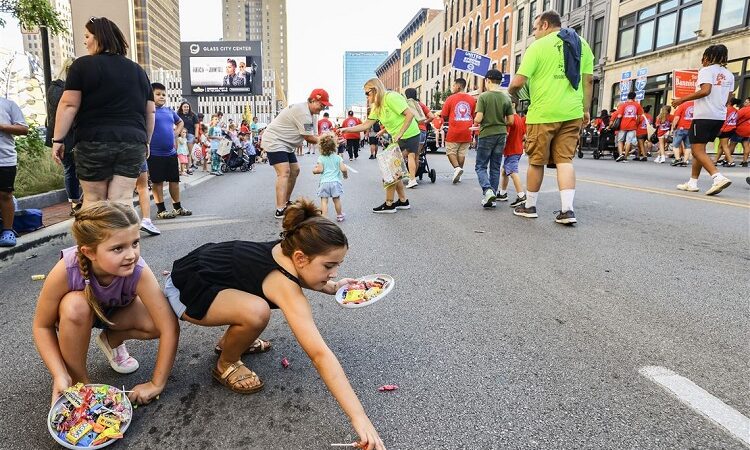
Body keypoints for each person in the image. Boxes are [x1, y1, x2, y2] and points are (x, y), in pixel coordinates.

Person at [163, 200, 385, 449]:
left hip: (207, 272)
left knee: (254, 309)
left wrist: (334, 286)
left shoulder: (289, 250)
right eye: (329, 266)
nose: (334, 272)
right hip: (187, 290)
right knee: (256, 312)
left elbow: (302, 275)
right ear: (300, 258)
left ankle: (233, 341)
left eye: (337, 266)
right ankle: (226, 362)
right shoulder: (283, 284)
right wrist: (360, 417)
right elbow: (320, 355)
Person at [32, 201, 178, 406]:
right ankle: (78, 382)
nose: (131, 255)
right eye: (118, 248)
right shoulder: (66, 269)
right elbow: (41, 325)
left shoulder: (138, 270)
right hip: (78, 316)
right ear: (90, 252)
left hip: (117, 315)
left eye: (135, 243)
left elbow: (169, 327)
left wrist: (157, 383)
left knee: (158, 321)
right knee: (75, 306)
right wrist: (59, 374)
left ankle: (112, 339)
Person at [51, 17, 154, 208]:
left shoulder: (82, 66)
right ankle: (128, 238)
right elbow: (150, 112)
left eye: (87, 36)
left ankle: (100, 239)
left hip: (93, 140)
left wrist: (58, 140)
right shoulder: (138, 71)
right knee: (122, 200)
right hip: (133, 142)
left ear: (100, 37)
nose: (85, 41)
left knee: (94, 200)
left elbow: (68, 105)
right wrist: (146, 141)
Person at [509, 10, 594, 225]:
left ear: (545, 25)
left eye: (535, 28)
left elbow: (518, 82)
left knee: (536, 161)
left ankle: (529, 206)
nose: (534, 33)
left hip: (544, 113)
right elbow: (589, 81)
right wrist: (585, 109)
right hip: (573, 112)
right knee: (565, 160)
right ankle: (567, 210)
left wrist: (512, 94)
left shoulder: (537, 47)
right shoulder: (582, 44)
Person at [339, 78, 417, 214]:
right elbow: (366, 125)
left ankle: (389, 204)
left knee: (390, 170)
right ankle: (403, 201)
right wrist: (345, 129)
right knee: (393, 170)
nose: (366, 96)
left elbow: (410, 115)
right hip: (398, 138)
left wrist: (400, 133)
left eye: (367, 93)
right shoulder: (377, 106)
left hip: (409, 135)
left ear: (375, 90)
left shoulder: (391, 97)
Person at [672, 45, 734, 195]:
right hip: (719, 116)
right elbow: (729, 97)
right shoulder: (729, 74)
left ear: (707, 57)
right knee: (700, 150)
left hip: (704, 115)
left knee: (697, 149)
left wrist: (681, 100)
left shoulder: (706, 71)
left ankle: (717, 177)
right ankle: (692, 182)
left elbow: (705, 90)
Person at [261, 89, 329, 219]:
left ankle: (286, 202)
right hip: (275, 141)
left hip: (286, 144)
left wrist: (327, 137)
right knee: (284, 172)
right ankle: (280, 209)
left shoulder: (311, 114)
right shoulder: (303, 112)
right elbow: (309, 138)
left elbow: (314, 135)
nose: (323, 107)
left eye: (325, 105)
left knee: (295, 170)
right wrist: (330, 140)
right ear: (313, 100)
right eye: (322, 104)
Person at [149, 82, 192, 219]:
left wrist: (176, 133)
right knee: (158, 182)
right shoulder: (148, 111)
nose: (162, 97)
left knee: (174, 181)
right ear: (150, 95)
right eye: (158, 94)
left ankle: (177, 207)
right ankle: (161, 209)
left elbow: (180, 122)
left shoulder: (169, 111)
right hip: (155, 153)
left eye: (164, 95)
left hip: (171, 153)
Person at [473, 69, 514, 208]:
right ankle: (493, 197)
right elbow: (511, 121)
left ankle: (488, 190)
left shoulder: (483, 97)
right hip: (501, 134)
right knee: (495, 167)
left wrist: (475, 121)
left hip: (486, 134)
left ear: (487, 81)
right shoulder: (506, 98)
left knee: (481, 166)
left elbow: (478, 119)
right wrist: (500, 122)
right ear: (500, 81)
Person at [46, 57, 81, 216]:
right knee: (71, 169)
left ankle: (79, 202)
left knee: (76, 169)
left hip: (71, 135)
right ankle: (75, 202)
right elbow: (67, 109)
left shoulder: (56, 88)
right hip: (65, 136)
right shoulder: (58, 88)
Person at [0, 97, 28, 247]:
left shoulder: (8, 104)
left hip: (4, 159)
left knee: (5, 194)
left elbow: (23, 129)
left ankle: (8, 230)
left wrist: (2, 127)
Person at [441, 78, 476, 183]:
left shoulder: (450, 98)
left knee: (450, 151)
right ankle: (459, 174)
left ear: (458, 86)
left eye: (453, 85)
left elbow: (444, 115)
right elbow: (474, 115)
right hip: (467, 131)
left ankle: (457, 168)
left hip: (454, 131)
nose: (452, 87)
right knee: (461, 154)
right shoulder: (472, 99)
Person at [313, 133, 348, 222]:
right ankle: (339, 215)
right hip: (335, 182)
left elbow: (320, 170)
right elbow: (343, 169)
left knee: (324, 200)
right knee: (336, 199)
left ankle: (324, 217)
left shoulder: (321, 158)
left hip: (324, 183)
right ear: (335, 145)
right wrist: (345, 175)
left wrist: (314, 170)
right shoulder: (338, 157)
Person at [404, 88, 435, 188]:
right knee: (416, 155)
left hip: (410, 131)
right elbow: (431, 116)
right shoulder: (420, 104)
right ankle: (412, 178)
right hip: (422, 131)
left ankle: (411, 177)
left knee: (408, 155)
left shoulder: (406, 104)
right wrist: (424, 122)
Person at [498, 102, 527, 207]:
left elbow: (505, 136)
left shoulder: (510, 120)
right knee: (505, 171)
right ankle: (502, 193)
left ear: (513, 105)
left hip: (512, 150)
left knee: (513, 172)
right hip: (517, 149)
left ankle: (521, 195)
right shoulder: (519, 118)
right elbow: (524, 136)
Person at [614, 92, 643, 162]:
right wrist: (636, 123)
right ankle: (625, 157)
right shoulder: (637, 105)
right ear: (634, 97)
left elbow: (619, 115)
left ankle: (621, 154)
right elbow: (639, 116)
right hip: (633, 126)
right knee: (628, 142)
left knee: (620, 141)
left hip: (623, 126)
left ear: (628, 97)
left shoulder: (623, 105)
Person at [715, 98, 740, 167]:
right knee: (721, 145)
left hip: (725, 129)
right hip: (732, 128)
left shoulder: (726, 109)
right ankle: (715, 160)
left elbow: (722, 119)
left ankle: (731, 161)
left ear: (729, 102)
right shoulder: (736, 110)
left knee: (724, 146)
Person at [670, 100, 694, 166]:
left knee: (675, 145)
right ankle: (685, 161)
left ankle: (677, 159)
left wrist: (673, 128)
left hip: (681, 128)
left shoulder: (682, 105)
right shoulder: (697, 106)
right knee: (688, 146)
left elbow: (676, 118)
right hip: (690, 129)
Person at [177, 102, 199, 170]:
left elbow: (197, 126)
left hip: (190, 135)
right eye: (184, 106)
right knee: (181, 152)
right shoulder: (178, 114)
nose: (186, 108)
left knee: (188, 152)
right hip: (181, 136)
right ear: (182, 107)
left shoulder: (193, 115)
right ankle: (182, 168)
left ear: (189, 107)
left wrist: (196, 137)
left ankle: (188, 168)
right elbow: (175, 124)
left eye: (187, 107)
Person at [736, 97, 750, 166]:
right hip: (748, 130)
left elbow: (736, 117)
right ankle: (745, 161)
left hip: (740, 129)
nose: (745, 103)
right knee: (746, 145)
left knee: (732, 144)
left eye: (746, 102)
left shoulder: (744, 109)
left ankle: (727, 159)